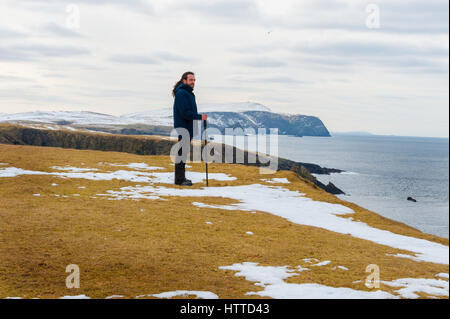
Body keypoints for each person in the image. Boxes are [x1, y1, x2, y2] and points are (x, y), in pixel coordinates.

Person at [172, 71, 207, 186]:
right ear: (184, 80)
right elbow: (185, 113)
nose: (193, 82)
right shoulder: (182, 93)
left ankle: (181, 178)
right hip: (184, 127)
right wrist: (199, 117)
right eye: (191, 80)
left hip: (187, 127)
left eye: (194, 80)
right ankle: (179, 180)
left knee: (183, 153)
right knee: (181, 154)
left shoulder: (188, 93)